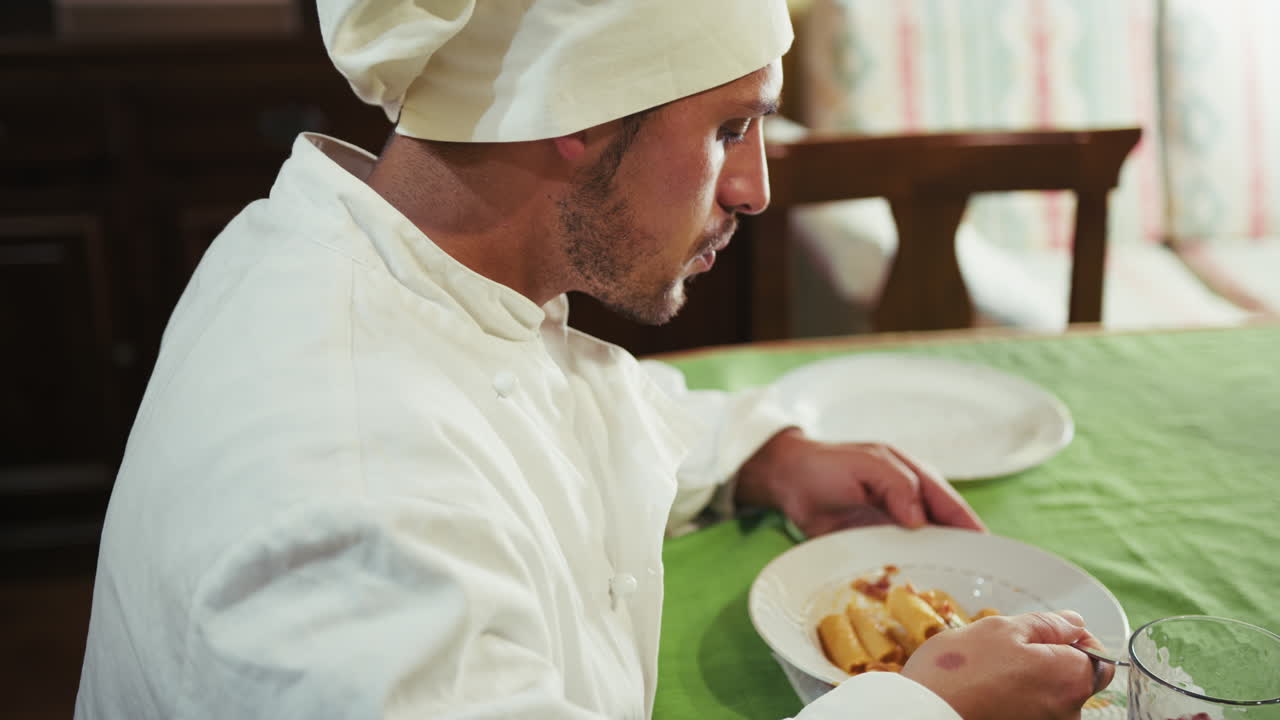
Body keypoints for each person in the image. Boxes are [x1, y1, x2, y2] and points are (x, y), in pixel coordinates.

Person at [74, 1, 1112, 718]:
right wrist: (923, 705)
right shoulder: (354, 498)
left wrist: (761, 451)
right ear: (575, 114)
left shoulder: (391, 264)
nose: (751, 186)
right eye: (729, 125)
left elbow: (542, 417)